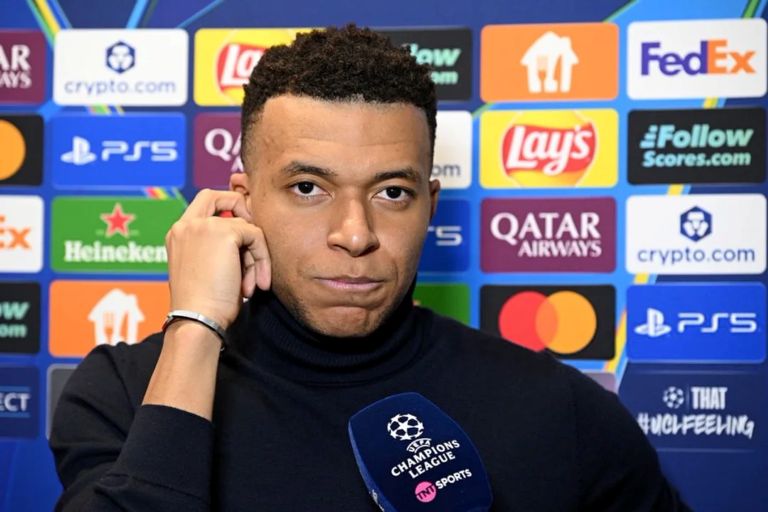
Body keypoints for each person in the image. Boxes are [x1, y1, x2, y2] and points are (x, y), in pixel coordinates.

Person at [50, 25, 690, 511]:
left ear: (429, 205)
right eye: (308, 188)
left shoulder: (558, 410)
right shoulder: (126, 393)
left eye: (392, 192)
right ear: (240, 203)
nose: (355, 234)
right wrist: (195, 327)